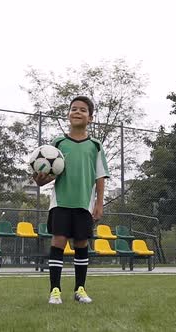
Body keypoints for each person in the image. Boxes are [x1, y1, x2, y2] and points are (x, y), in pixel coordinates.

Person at [33, 95, 109, 304]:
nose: (77, 112)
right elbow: (46, 174)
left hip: (84, 204)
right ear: (68, 115)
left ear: (90, 118)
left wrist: (99, 204)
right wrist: (39, 179)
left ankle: (80, 289)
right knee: (58, 242)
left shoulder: (95, 145)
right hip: (61, 203)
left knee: (81, 244)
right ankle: (55, 290)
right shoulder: (57, 143)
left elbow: (100, 176)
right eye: (73, 109)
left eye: (83, 110)